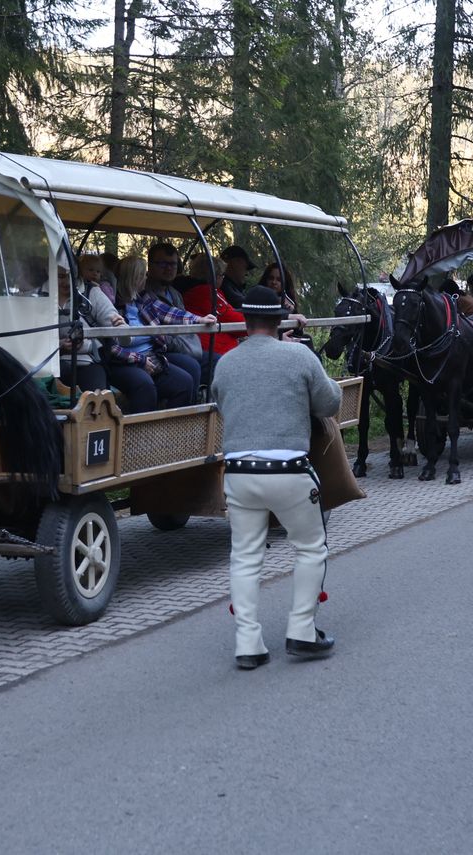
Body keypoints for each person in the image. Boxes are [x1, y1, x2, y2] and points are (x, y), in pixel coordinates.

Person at [211, 285, 342, 670]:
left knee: (245, 556)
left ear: (246, 320)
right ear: (279, 319)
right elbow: (329, 402)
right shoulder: (298, 355)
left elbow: (223, 404)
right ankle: (301, 631)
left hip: (239, 473)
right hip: (290, 472)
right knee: (309, 547)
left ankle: (248, 643)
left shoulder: (227, 363)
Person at [104, 256, 201, 411]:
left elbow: (170, 313)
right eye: (143, 275)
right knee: (144, 384)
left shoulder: (144, 301)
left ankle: (172, 430)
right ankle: (141, 433)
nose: (146, 278)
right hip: (122, 362)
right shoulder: (111, 306)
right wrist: (139, 360)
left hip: (151, 357)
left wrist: (199, 320)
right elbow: (109, 346)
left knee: (185, 383)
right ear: (134, 278)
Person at [56, 266, 126, 393]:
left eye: (72, 276)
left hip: (88, 361)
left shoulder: (91, 292)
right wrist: (60, 345)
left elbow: (122, 334)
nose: (67, 282)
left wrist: (121, 327)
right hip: (49, 365)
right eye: (61, 277)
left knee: (97, 399)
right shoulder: (39, 296)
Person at [145, 243, 188, 310]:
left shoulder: (176, 294)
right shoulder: (141, 292)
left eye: (173, 264)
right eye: (163, 263)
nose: (169, 268)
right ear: (150, 265)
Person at [219, 245, 256, 310]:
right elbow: (242, 303)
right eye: (245, 267)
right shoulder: (223, 285)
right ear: (233, 263)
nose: (246, 273)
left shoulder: (232, 286)